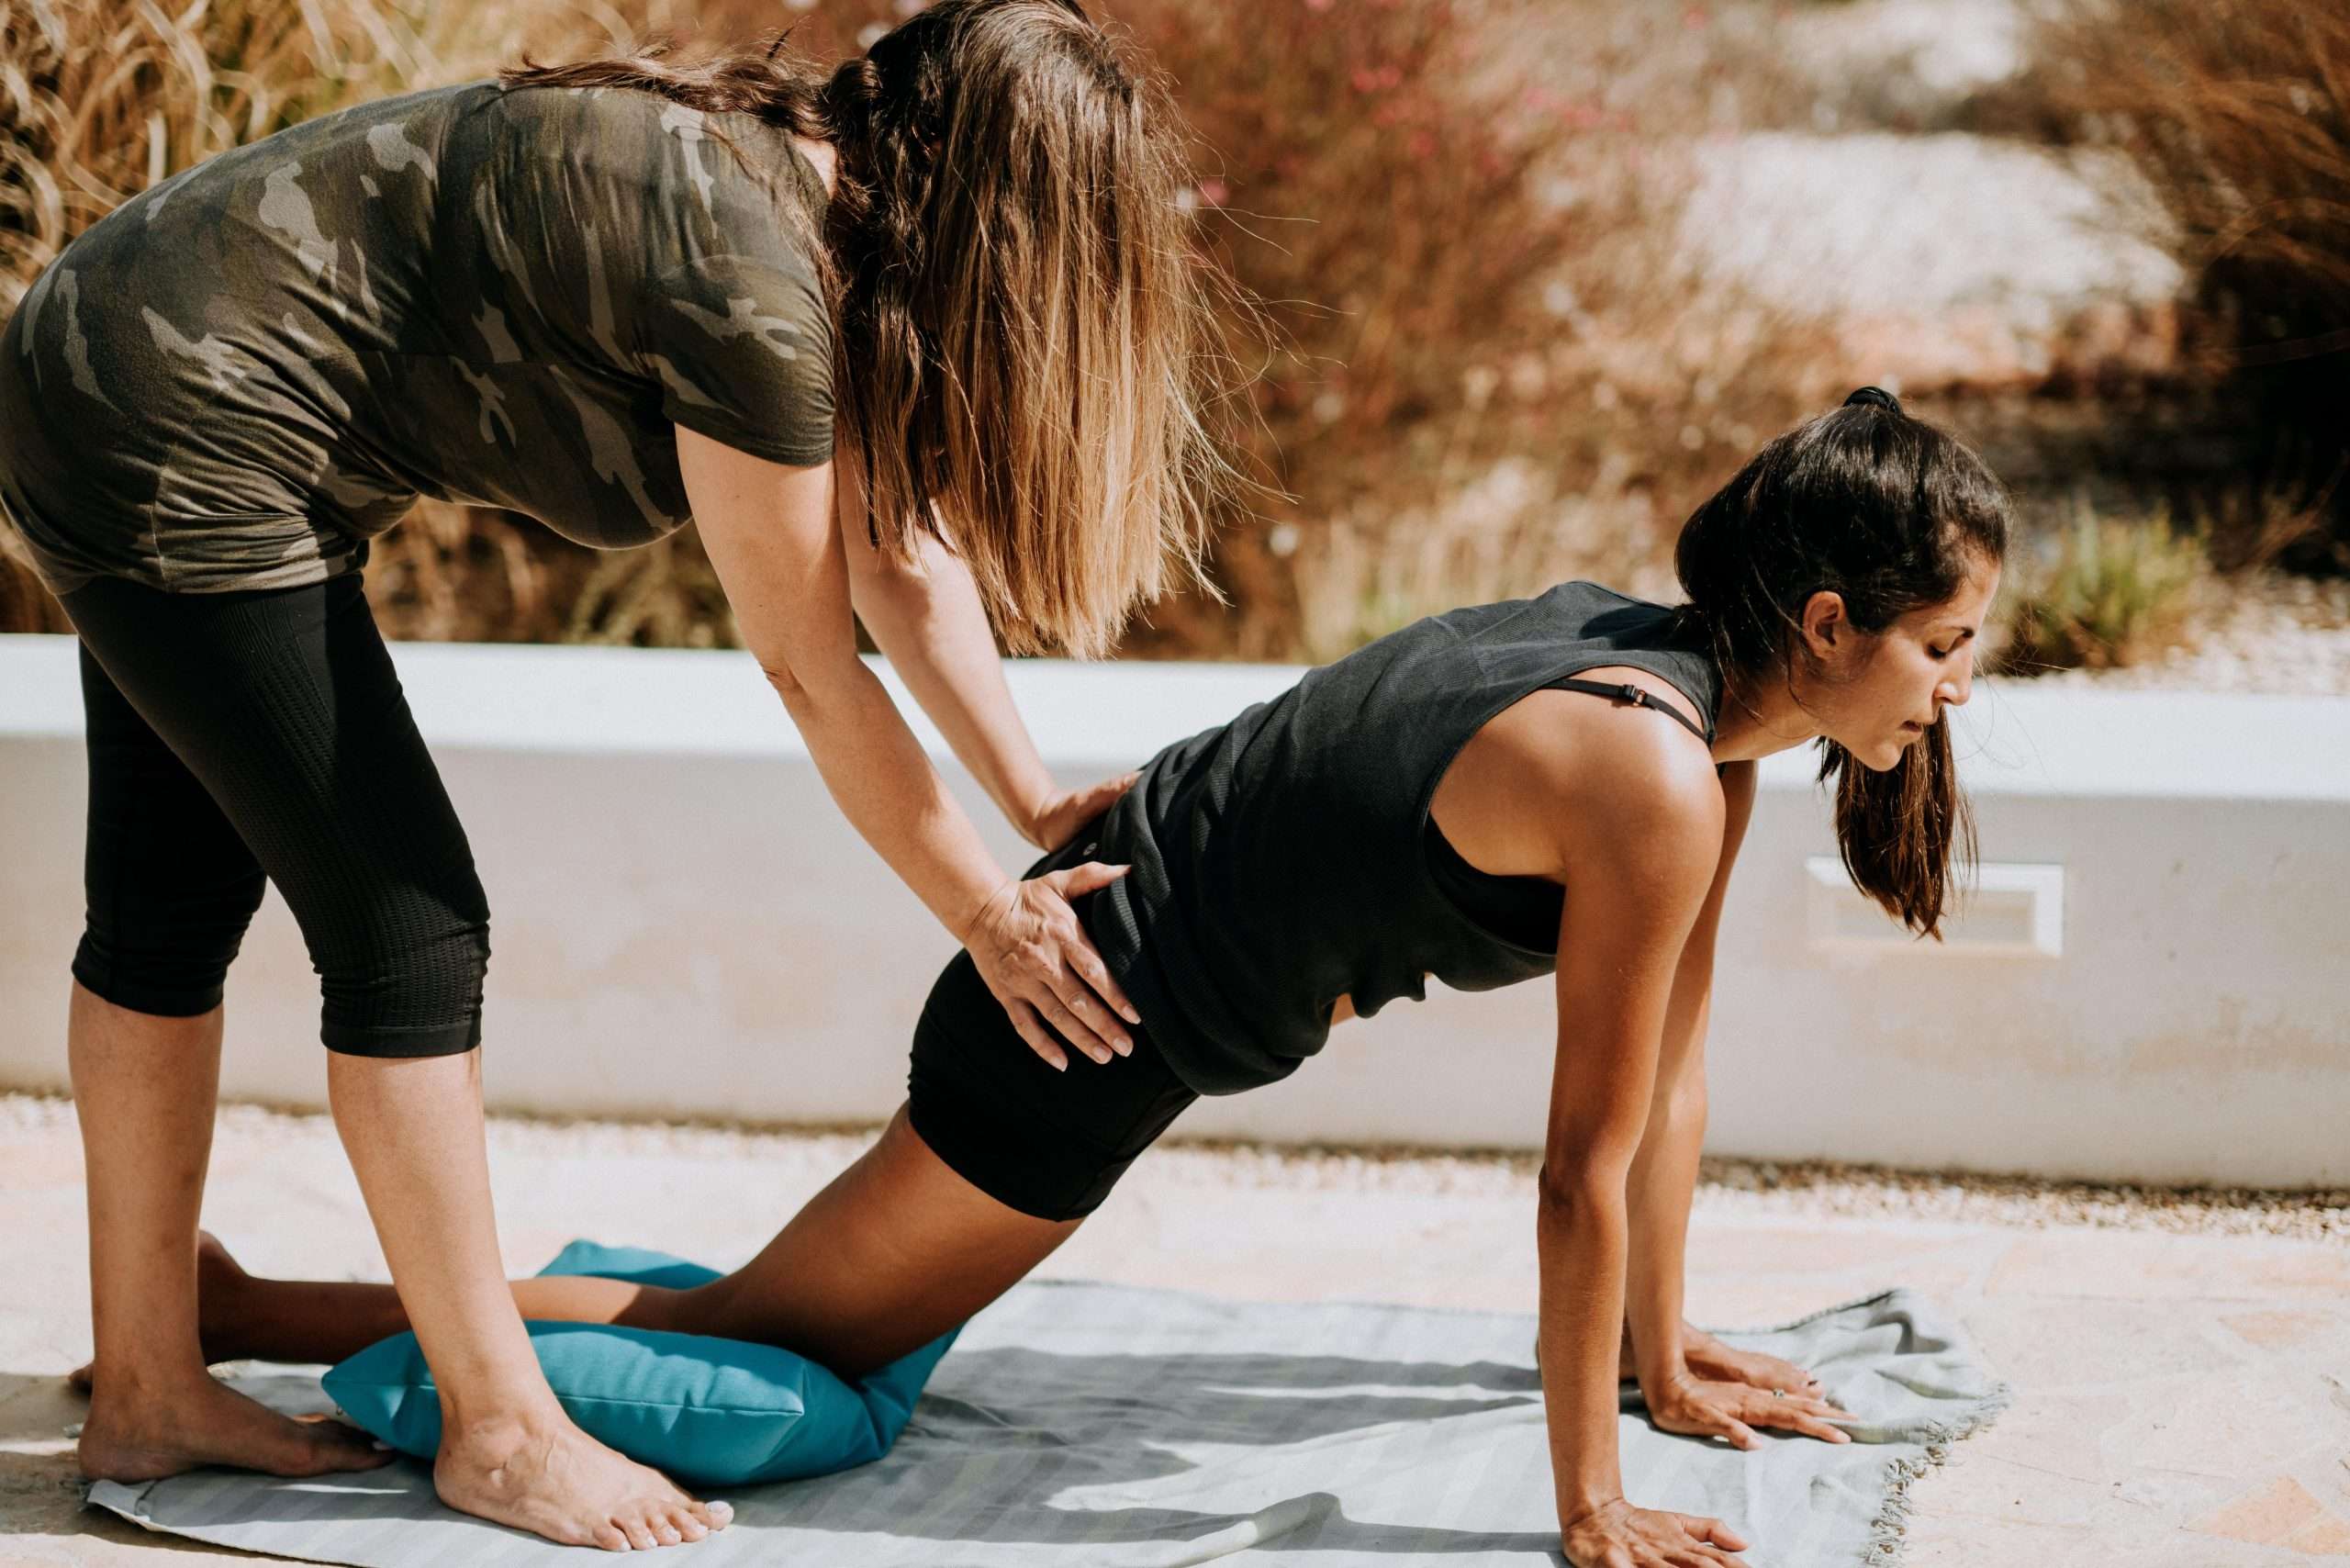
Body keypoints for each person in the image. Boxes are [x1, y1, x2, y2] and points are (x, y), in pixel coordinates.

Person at [148, 389, 2012, 1566]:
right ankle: (273, 1310)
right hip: (1079, 1014)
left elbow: (1663, 1087)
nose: (1952, 686)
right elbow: (1574, 1167)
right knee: (777, 1331)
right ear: (1825, 622)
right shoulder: (1650, 771)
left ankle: (262, 1291)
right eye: (1938, 643)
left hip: (1111, 963)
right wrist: (1586, 1498)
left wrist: (1661, 1357)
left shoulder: (1692, 711)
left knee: (774, 1300)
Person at [1, 0, 1238, 1550]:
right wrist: (991, 914)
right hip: (175, 409)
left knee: (168, 911)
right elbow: (807, 665)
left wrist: (1037, 804)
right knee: (410, 929)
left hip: (117, 358)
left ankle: (149, 1385)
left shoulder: (814, 206)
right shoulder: (756, 282)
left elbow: (898, 559)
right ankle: (503, 1430)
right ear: (999, 212)